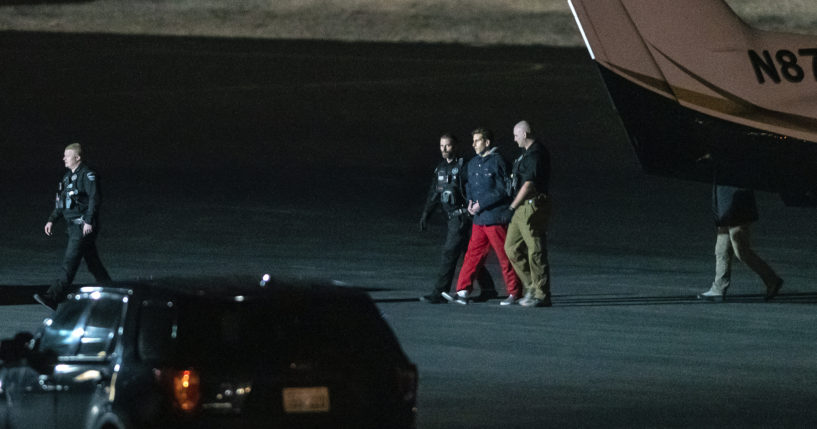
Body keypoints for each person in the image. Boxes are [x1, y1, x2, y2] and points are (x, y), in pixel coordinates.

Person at [442, 128, 522, 305]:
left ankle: (515, 292)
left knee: (504, 255)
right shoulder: (473, 163)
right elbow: (469, 186)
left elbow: (503, 189)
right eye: (473, 141)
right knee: (473, 254)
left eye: (477, 141)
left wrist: (482, 203)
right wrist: (470, 202)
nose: (474, 144)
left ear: (487, 142)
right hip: (479, 219)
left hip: (495, 218)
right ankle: (462, 291)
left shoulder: (498, 161)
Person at [418, 134, 497, 304]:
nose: (444, 149)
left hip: (462, 217)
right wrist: (426, 214)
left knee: (449, 253)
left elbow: (476, 186)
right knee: (468, 255)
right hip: (452, 218)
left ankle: (440, 292)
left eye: (447, 146)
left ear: (455, 147)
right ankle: (489, 288)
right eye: (441, 146)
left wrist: (476, 206)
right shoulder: (440, 169)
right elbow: (435, 193)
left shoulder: (464, 167)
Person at [34, 143, 112, 311]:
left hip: (82, 226)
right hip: (73, 227)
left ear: (77, 157)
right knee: (93, 264)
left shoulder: (87, 175)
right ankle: (112, 293)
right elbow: (62, 203)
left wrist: (89, 221)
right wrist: (51, 220)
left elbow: (94, 199)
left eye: (67, 156)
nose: (63, 158)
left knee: (69, 262)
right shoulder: (67, 177)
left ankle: (53, 296)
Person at [698, 184, 783, 301]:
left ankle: (771, 279)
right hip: (725, 194)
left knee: (740, 249)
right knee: (722, 246)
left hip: (737, 196)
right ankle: (719, 287)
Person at [504, 120, 553, 307]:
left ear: (524, 134)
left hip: (532, 206)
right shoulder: (525, 155)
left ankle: (541, 294)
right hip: (521, 207)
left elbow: (529, 184)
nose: (514, 139)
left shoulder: (536, 154)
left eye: (516, 135)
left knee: (535, 250)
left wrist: (512, 207)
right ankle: (531, 287)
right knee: (511, 248)